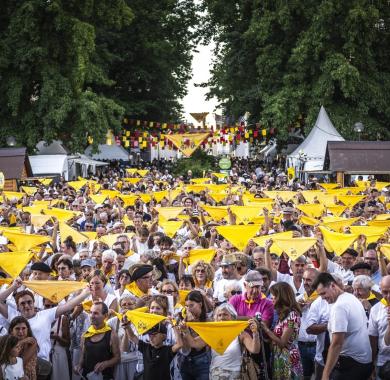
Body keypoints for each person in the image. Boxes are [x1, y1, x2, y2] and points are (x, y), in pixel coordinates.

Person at [313, 272, 372, 380]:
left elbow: (337, 344)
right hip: (362, 363)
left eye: (323, 293)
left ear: (333, 285)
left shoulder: (340, 306)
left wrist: (325, 374)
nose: (322, 298)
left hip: (351, 364)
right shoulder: (349, 297)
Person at [260, 282, 303, 380]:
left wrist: (266, 329)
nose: (272, 298)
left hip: (289, 359)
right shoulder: (283, 315)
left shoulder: (292, 316)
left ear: (281, 297)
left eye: (274, 295)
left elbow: (283, 343)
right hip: (279, 358)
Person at [209, 303, 260, 379]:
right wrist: (185, 331)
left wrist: (255, 333)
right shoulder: (212, 334)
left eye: (225, 314)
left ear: (232, 317)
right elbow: (195, 343)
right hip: (215, 375)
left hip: (235, 376)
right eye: (219, 315)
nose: (222, 318)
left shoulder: (241, 334)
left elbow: (255, 350)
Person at [76, 302, 120, 380]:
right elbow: (83, 355)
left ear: (105, 316)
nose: (92, 316)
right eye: (91, 312)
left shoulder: (111, 335)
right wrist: (79, 365)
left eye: (96, 313)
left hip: (105, 377)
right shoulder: (86, 334)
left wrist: (106, 364)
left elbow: (117, 358)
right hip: (86, 376)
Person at [296, 268, 319, 380]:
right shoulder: (298, 300)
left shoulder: (323, 300)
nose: (305, 282)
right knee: (304, 377)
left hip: (318, 345)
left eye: (309, 280)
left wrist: (314, 305)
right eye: (304, 279)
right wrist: (296, 309)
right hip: (301, 346)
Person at [369, 275, 390, 379]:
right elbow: (373, 339)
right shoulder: (376, 309)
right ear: (380, 291)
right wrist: (371, 364)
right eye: (385, 292)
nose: (389, 296)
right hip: (383, 363)